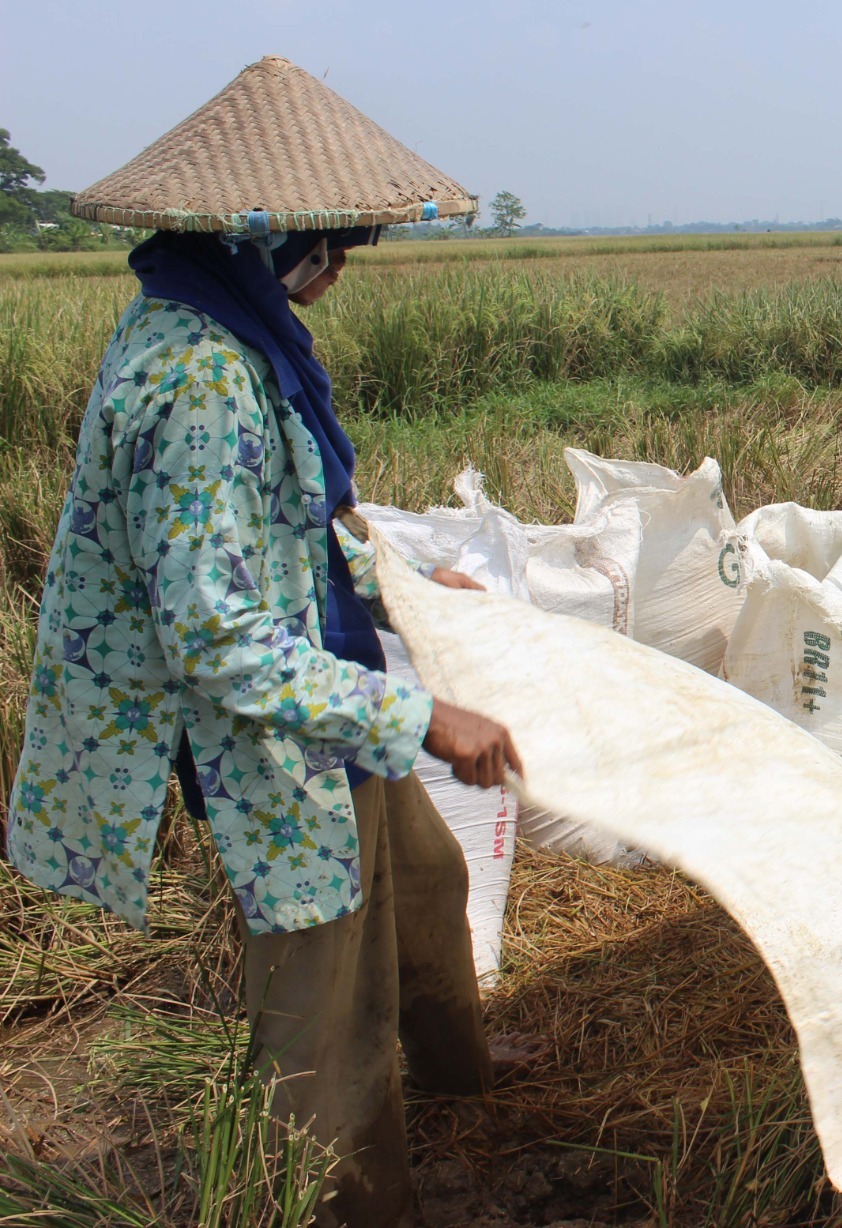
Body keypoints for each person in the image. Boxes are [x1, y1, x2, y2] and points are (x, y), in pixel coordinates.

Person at [14, 56, 528, 1227]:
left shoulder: (242, 339)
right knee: (323, 1014)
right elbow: (220, 639)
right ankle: (337, 1198)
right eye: (325, 250)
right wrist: (423, 713)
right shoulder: (197, 376)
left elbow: (294, 528)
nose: (336, 272)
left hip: (328, 683)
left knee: (431, 883)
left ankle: (461, 1080)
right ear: (261, 241)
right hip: (263, 732)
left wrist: (402, 586)